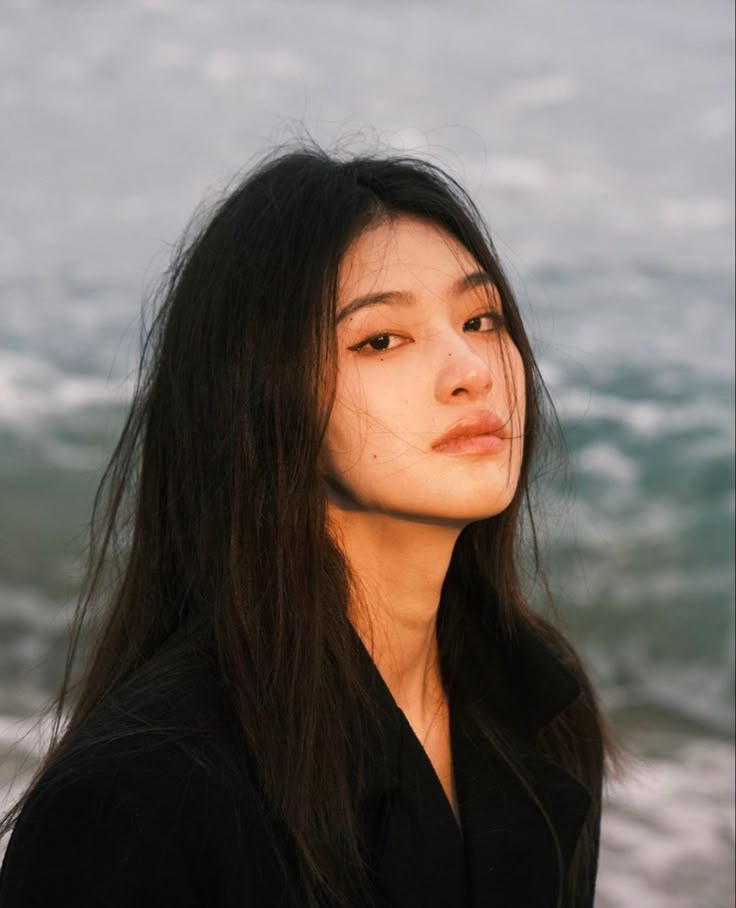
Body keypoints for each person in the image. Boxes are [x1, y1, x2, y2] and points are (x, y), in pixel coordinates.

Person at [0, 144, 618, 907]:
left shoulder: (535, 709)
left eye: (481, 318)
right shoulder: (138, 802)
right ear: (261, 400)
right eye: (381, 340)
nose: (472, 367)